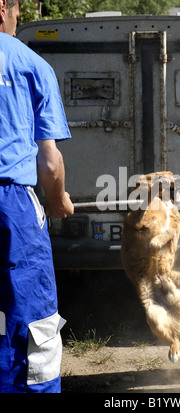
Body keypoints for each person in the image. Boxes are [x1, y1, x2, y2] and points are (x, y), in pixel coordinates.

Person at [0, 0, 74, 393]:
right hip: (12, 205)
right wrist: (58, 199)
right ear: (1, 8)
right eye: (16, 12)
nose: (17, 21)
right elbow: (49, 161)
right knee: (29, 314)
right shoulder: (30, 64)